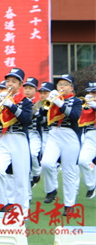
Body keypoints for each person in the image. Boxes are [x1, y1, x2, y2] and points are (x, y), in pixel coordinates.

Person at [0, 68, 32, 216]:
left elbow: (26, 120)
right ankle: (4, 203)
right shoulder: (1, 99)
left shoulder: (25, 101)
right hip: (4, 138)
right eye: (8, 81)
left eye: (13, 82)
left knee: (21, 179)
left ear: (20, 85)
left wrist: (12, 106)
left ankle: (23, 213)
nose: (9, 84)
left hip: (19, 139)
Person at [41, 74, 83, 215]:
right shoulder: (53, 99)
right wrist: (49, 100)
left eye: (65, 84)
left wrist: (61, 104)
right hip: (54, 134)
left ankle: (69, 204)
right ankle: (51, 189)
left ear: (71, 87)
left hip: (70, 136)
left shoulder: (76, 101)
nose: (62, 87)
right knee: (46, 163)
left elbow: (75, 117)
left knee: (68, 171)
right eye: (59, 84)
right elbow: (41, 113)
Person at [23, 77, 44, 187]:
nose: (27, 90)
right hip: (22, 133)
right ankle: (30, 180)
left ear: (36, 90)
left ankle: (36, 173)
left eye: (30, 88)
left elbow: (45, 122)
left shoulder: (39, 103)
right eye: (26, 88)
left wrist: (39, 115)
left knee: (32, 154)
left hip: (35, 133)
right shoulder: (20, 102)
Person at [78, 81, 96, 199]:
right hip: (91, 135)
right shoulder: (85, 105)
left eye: (94, 93)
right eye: (90, 92)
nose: (92, 95)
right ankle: (91, 186)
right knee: (83, 161)